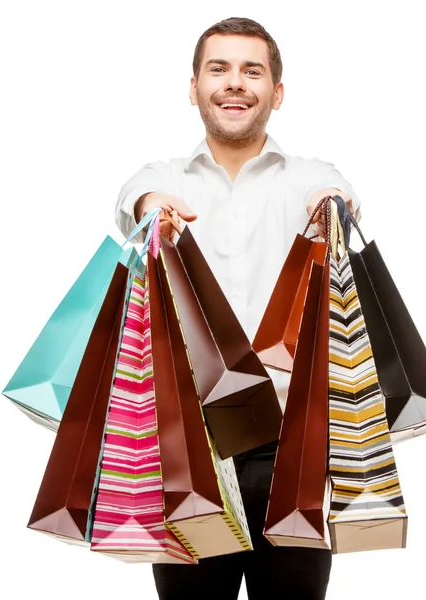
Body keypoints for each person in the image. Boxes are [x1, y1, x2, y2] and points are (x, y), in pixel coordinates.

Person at [115, 16, 361, 600]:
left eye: (252, 71)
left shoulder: (308, 175)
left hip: (292, 447)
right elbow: (132, 197)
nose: (234, 83)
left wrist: (334, 206)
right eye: (218, 68)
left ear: (276, 93)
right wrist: (155, 208)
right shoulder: (165, 176)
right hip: (193, 448)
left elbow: (341, 195)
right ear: (194, 86)